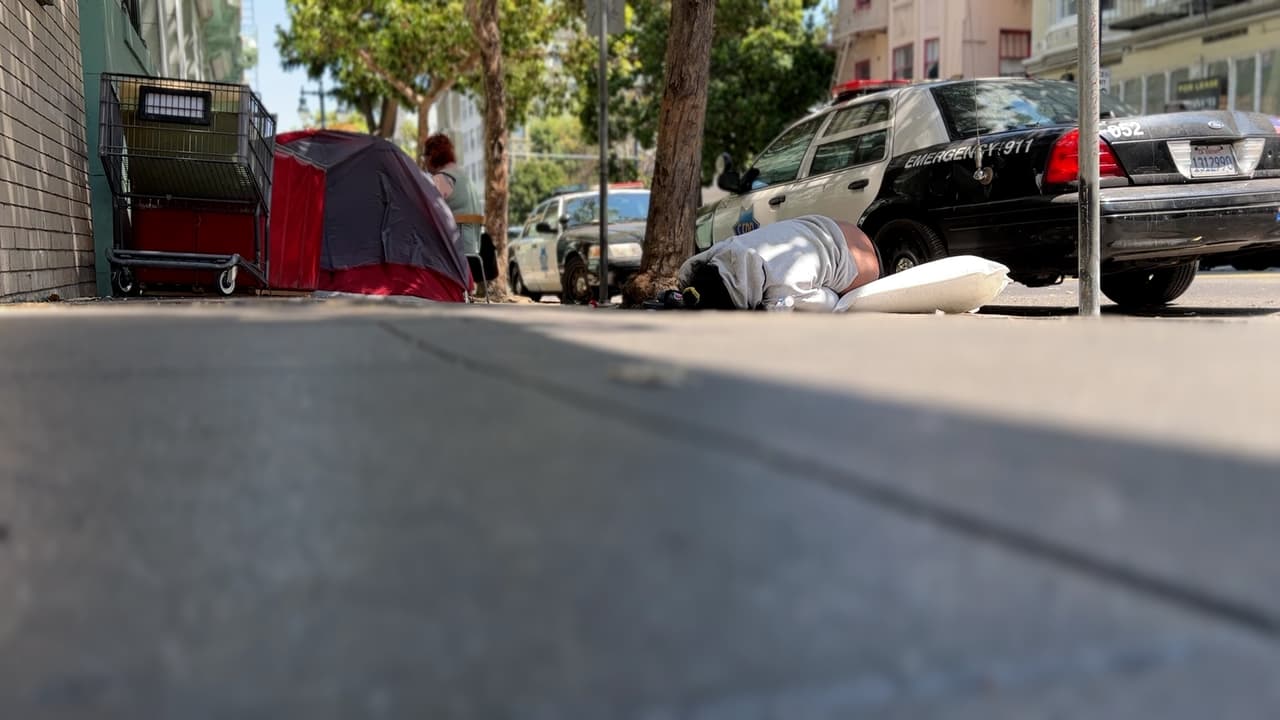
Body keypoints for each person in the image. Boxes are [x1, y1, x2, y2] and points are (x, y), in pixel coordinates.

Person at [676, 215, 881, 311]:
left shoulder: (781, 292)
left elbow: (830, 303)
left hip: (864, 265)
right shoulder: (725, 250)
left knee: (830, 300)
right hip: (833, 225)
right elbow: (688, 269)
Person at [422, 133, 482, 257]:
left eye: (424, 156)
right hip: (474, 251)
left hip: (454, 254)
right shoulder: (466, 178)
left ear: (431, 156)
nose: (424, 161)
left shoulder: (441, 178)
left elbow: (425, 213)